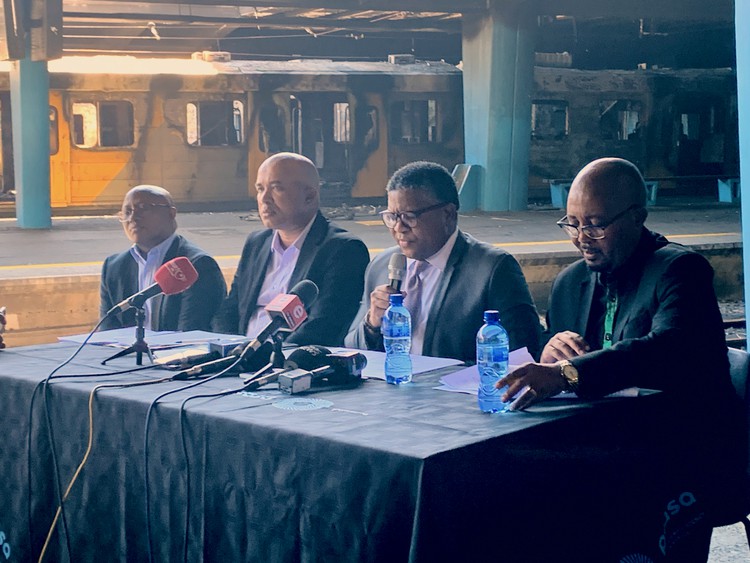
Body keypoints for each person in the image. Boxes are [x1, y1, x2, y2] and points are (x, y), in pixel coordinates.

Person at [497, 157, 746, 560]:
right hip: (606, 437)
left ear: (637, 217)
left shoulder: (680, 270)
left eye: (595, 224)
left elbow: (668, 347)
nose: (581, 237)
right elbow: (559, 359)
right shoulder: (570, 281)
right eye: (572, 223)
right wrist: (552, 348)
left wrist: (567, 372)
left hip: (680, 447)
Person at [345, 161, 542, 362]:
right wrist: (372, 324)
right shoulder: (381, 265)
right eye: (392, 217)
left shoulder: (493, 269)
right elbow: (351, 348)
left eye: (409, 217)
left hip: (459, 390)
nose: (399, 227)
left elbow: (525, 352)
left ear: (448, 214)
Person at [212, 152, 369, 346]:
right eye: (260, 189)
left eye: (277, 188)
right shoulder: (256, 243)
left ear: (310, 196)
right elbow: (230, 309)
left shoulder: (343, 250)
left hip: (289, 364)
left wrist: (262, 358)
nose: (264, 199)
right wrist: (229, 349)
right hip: (239, 358)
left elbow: (324, 326)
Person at [100, 185, 226, 331]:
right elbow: (107, 332)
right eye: (127, 212)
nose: (133, 218)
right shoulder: (113, 267)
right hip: (128, 353)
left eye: (144, 207)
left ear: (171, 213)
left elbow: (191, 334)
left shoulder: (196, 265)